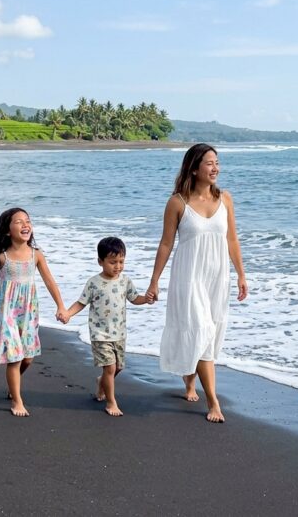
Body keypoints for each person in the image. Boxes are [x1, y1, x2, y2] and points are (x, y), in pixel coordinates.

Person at [147, 143, 248, 423]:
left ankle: (190, 381)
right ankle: (213, 402)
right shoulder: (177, 202)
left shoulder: (225, 199)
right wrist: (154, 281)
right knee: (201, 328)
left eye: (217, 162)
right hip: (189, 276)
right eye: (209, 163)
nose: (215, 168)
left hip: (217, 277)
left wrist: (241, 274)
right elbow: (166, 244)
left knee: (210, 332)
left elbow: (232, 239)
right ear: (194, 168)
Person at [0, 207, 68, 417]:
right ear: (7, 230)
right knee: (15, 357)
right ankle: (17, 400)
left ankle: (13, 383)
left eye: (28, 221)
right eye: (19, 222)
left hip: (28, 310)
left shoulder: (36, 255)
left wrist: (61, 306)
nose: (25, 225)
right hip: (6, 309)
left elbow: (50, 281)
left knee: (28, 358)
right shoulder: (0, 255)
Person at [60, 237, 153, 416]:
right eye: (112, 262)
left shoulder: (125, 281)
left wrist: (146, 299)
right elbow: (81, 302)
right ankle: (111, 402)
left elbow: (134, 299)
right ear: (100, 262)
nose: (117, 266)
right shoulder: (94, 283)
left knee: (118, 367)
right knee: (110, 367)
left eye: (121, 262)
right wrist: (68, 314)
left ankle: (101, 382)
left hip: (119, 332)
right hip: (100, 333)